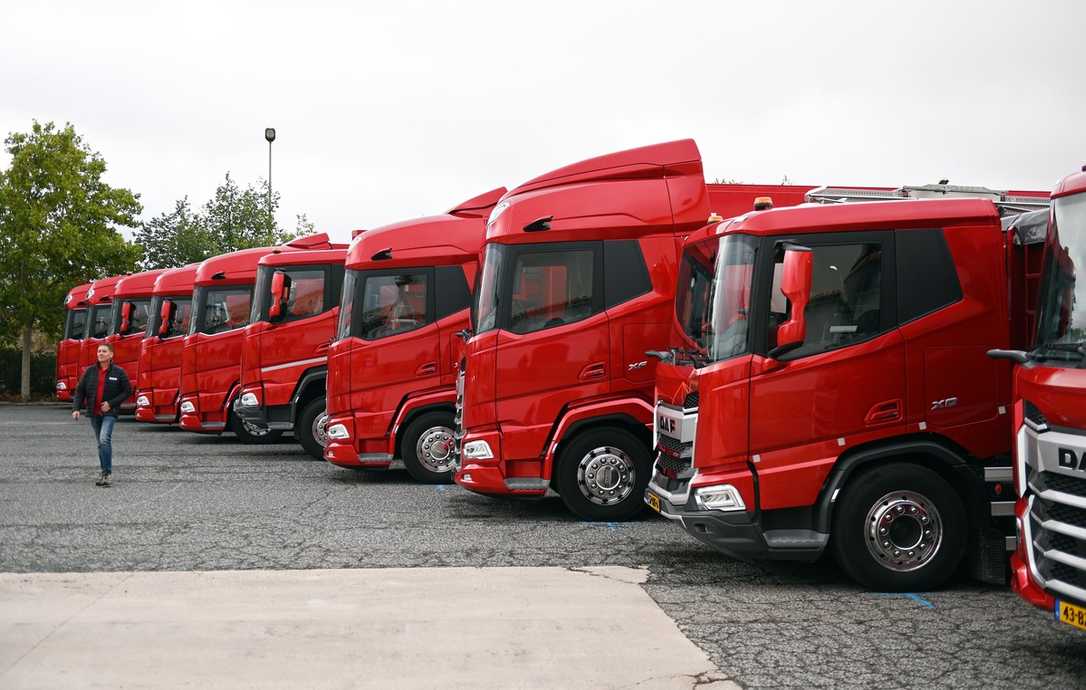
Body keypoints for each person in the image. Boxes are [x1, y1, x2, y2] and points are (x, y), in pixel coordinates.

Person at [72, 343, 131, 487]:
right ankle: (104, 472)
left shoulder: (119, 372)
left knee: (104, 440)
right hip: (94, 413)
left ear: (111, 355)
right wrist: (76, 408)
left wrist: (110, 404)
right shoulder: (90, 372)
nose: (100, 353)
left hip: (110, 413)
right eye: (99, 351)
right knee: (100, 444)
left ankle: (107, 473)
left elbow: (127, 391)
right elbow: (80, 391)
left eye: (104, 351)